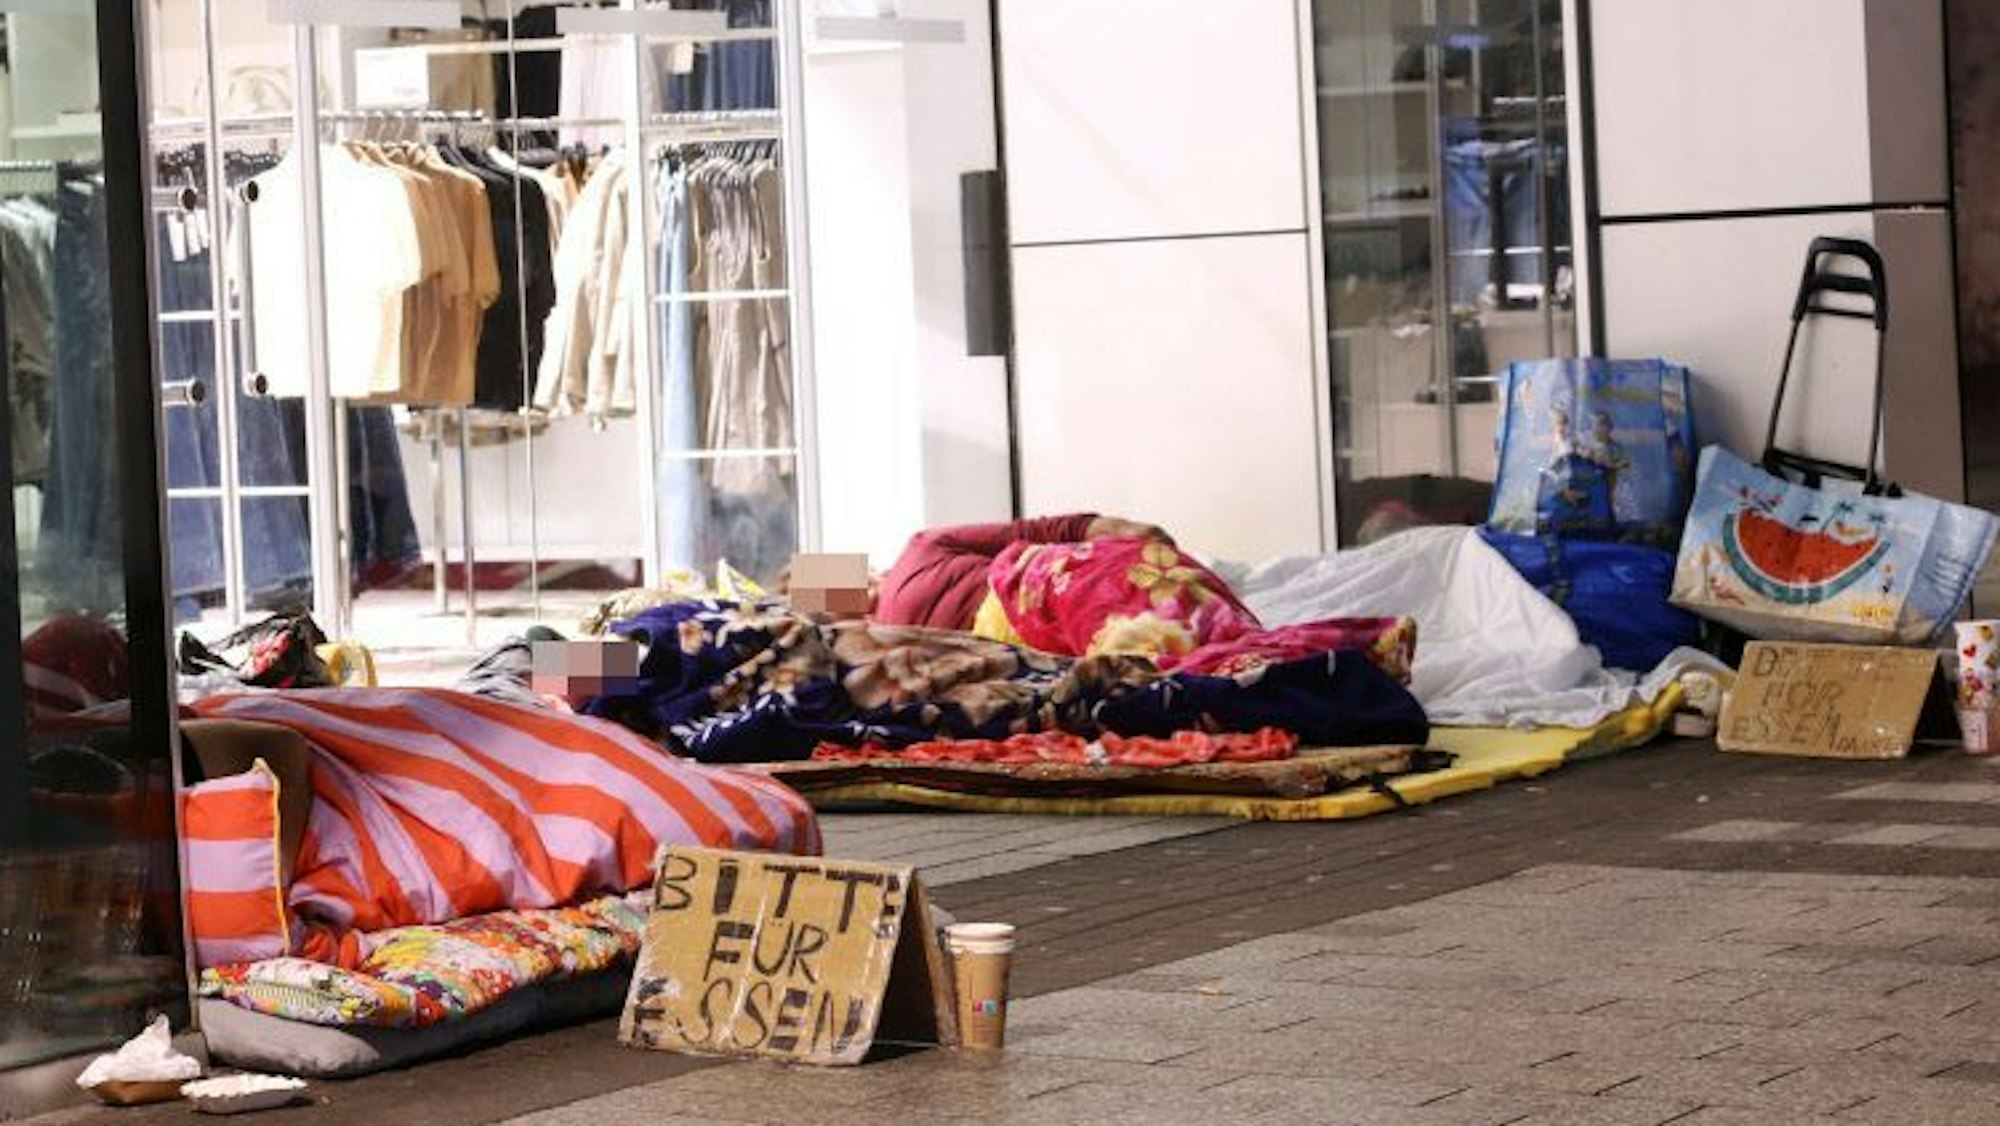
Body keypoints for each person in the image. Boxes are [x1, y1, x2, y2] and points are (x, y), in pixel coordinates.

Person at [872, 513, 1166, 631]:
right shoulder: (866, 658)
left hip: (1046, 585)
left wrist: (1116, 529)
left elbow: (1030, 530)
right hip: (1036, 657)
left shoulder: (922, 546)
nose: (834, 591)